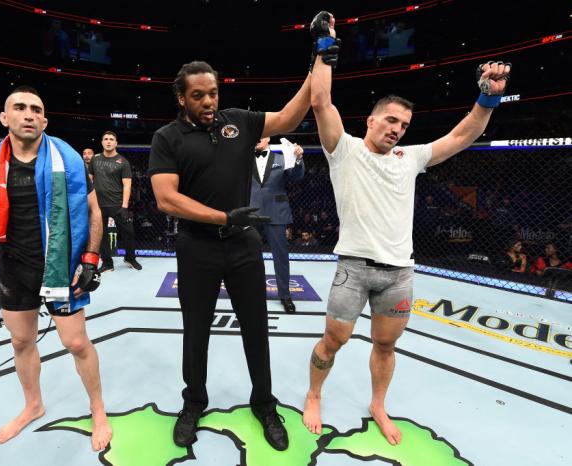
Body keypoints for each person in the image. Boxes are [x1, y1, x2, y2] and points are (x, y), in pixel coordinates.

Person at [302, 11, 512, 446]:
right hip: (354, 267)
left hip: (399, 273)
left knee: (385, 345)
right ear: (372, 121)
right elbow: (321, 103)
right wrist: (324, 49)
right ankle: (314, 394)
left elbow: (463, 135)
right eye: (392, 121)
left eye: (404, 125)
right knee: (332, 340)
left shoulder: (411, 158)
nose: (398, 130)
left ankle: (378, 404)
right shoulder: (346, 150)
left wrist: (488, 98)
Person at [148, 59, 313, 451]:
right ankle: (194, 403)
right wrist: (223, 216)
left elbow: (290, 116)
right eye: (198, 95)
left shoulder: (237, 121)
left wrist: (317, 63)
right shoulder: (167, 138)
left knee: (256, 328)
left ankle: (265, 405)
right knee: (197, 330)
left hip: (242, 244)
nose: (208, 101)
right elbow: (166, 198)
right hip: (197, 245)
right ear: (181, 97)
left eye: (213, 93)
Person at [0, 86, 111, 451]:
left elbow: (96, 211)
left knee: (76, 342)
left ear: (45, 120)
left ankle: (98, 410)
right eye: (20, 107)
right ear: (6, 118)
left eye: (36, 109)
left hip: (60, 264)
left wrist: (91, 259)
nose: (29, 114)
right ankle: (33, 405)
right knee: (21, 341)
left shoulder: (67, 156)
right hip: (14, 265)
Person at [250, 137, 305, 313]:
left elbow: (297, 176)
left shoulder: (282, 158)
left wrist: (297, 159)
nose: (256, 138)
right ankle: (252, 293)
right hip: (250, 213)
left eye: (260, 135)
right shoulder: (242, 159)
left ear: (267, 139)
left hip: (276, 212)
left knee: (280, 257)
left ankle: (285, 295)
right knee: (249, 257)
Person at [88, 131, 142, 271]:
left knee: (128, 232)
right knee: (101, 234)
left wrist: (124, 206)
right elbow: (90, 180)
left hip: (117, 204)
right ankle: (107, 263)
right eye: (105, 139)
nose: (108, 141)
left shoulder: (123, 162)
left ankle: (130, 258)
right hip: (99, 205)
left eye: (111, 139)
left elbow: (127, 184)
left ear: (116, 143)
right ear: (102, 142)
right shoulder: (95, 159)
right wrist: (90, 201)